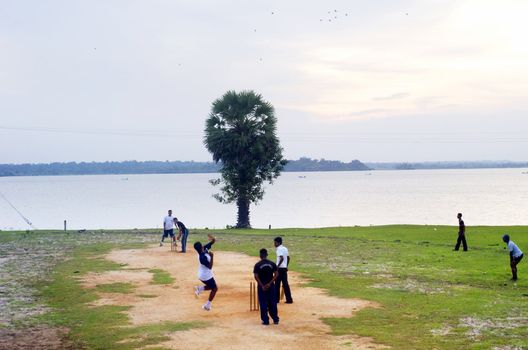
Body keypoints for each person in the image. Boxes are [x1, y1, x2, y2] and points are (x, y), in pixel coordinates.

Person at [253, 248, 279, 325]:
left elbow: (256, 276)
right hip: (271, 287)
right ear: (267, 255)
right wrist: (270, 283)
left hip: (262, 287)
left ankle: (266, 320)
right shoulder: (272, 264)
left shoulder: (257, 265)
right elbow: (276, 274)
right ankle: (275, 319)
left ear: (260, 255)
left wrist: (262, 285)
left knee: (263, 303)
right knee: (272, 303)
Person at [193, 234, 218, 311]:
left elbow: (212, 242)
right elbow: (210, 267)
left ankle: (199, 289)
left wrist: (213, 239)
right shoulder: (202, 257)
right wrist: (212, 256)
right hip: (205, 275)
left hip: (203, 274)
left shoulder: (204, 248)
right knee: (214, 289)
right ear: (201, 247)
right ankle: (207, 305)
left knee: (212, 287)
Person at [274, 236, 293, 304]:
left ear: (278, 242)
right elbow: (288, 258)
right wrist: (286, 266)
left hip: (279, 269)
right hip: (284, 268)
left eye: (275, 242)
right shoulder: (285, 248)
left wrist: (277, 266)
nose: (274, 244)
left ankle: (276, 299)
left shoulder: (279, 249)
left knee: (277, 284)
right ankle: (289, 299)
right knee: (285, 284)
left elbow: (281, 258)